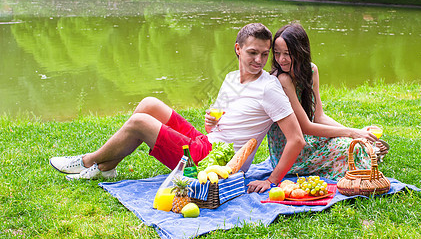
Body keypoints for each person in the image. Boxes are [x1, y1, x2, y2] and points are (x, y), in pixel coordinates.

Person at [50, 23, 305, 193]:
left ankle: (87, 161)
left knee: (140, 123)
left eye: (264, 54)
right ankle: (107, 167)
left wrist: (272, 181)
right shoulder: (230, 77)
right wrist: (212, 122)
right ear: (238, 49)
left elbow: (297, 139)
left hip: (218, 162)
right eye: (253, 53)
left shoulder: (269, 88)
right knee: (149, 104)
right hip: (207, 142)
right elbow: (216, 124)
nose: (259, 60)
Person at [267, 23, 389, 180]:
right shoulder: (282, 79)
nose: (281, 59)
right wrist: (352, 133)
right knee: (351, 149)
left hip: (311, 140)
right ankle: (370, 153)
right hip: (293, 152)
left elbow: (320, 117)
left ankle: (368, 149)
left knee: (352, 144)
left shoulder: (311, 70)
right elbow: (306, 127)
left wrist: (354, 134)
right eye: (277, 53)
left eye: (287, 53)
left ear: (301, 52)